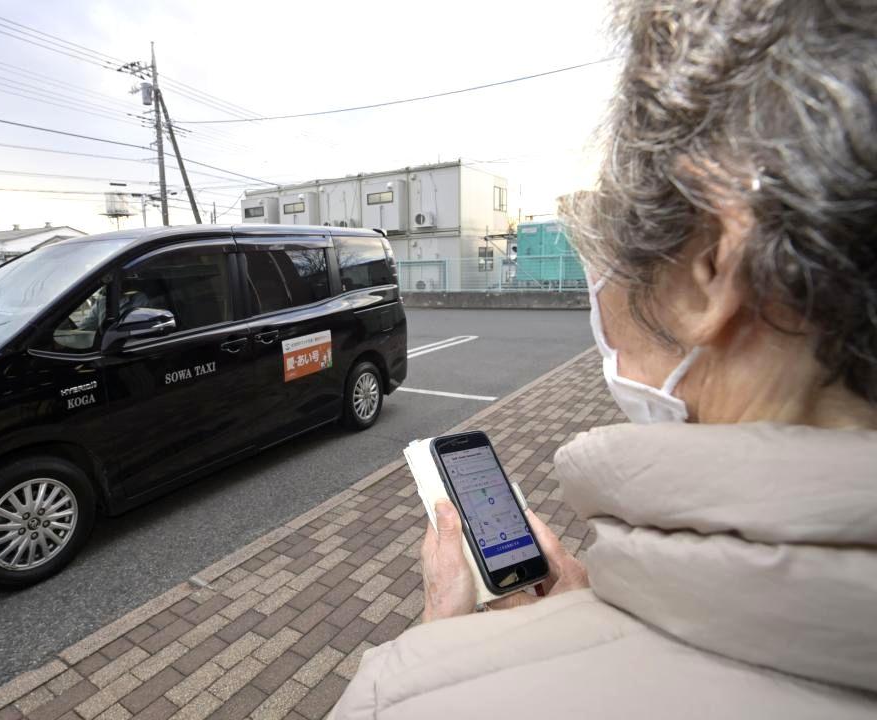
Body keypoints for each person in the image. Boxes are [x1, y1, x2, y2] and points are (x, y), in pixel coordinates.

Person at [332, 0, 877, 717]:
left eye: (610, 249)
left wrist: (442, 651)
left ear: (711, 262)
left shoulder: (405, 698)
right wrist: (595, 618)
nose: (601, 296)